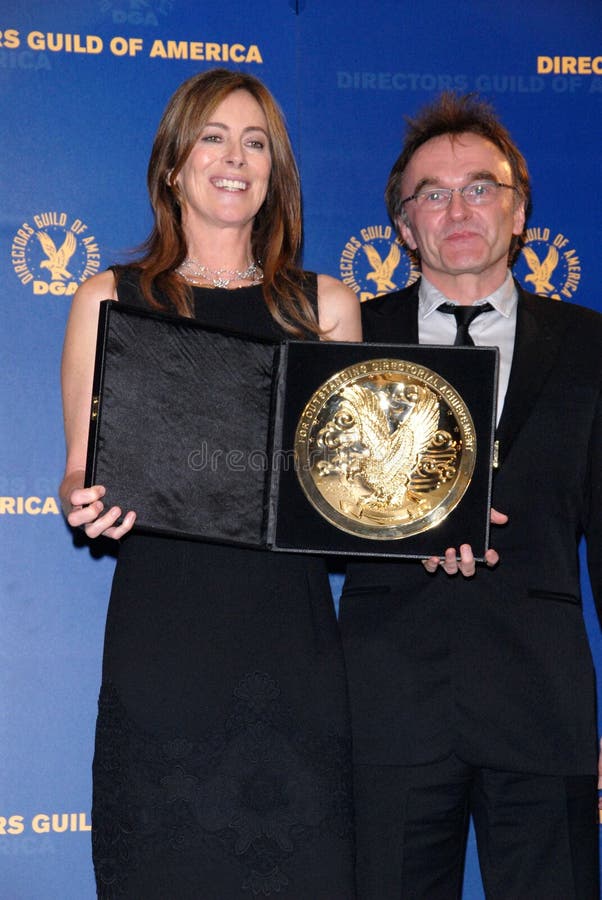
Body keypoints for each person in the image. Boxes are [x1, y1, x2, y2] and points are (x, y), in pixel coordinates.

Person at [60, 68, 362, 899]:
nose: (236, 158)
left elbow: (348, 489)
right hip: (166, 641)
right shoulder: (107, 297)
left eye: (256, 142)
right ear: (173, 165)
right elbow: (80, 466)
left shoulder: (326, 307)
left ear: (275, 173)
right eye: (214, 137)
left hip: (288, 636)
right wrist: (80, 496)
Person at [340, 92, 602, 899]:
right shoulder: (345, 339)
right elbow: (304, 510)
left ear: (519, 211)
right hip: (387, 706)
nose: (458, 208)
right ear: (405, 226)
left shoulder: (592, 348)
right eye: (433, 194)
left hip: (543, 708)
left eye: (481, 188)